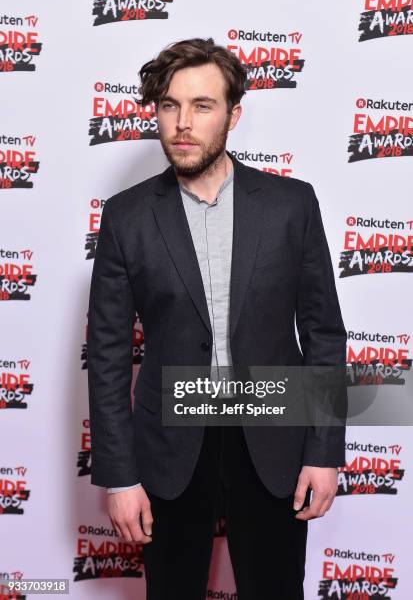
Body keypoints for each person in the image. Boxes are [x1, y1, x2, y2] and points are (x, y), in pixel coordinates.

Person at [87, 37, 347, 599]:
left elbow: (324, 334)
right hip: (169, 443)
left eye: (202, 106)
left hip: (273, 432)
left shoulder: (291, 205)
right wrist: (119, 475)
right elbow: (106, 353)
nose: (182, 123)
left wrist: (325, 453)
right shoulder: (126, 217)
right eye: (169, 105)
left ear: (233, 115)